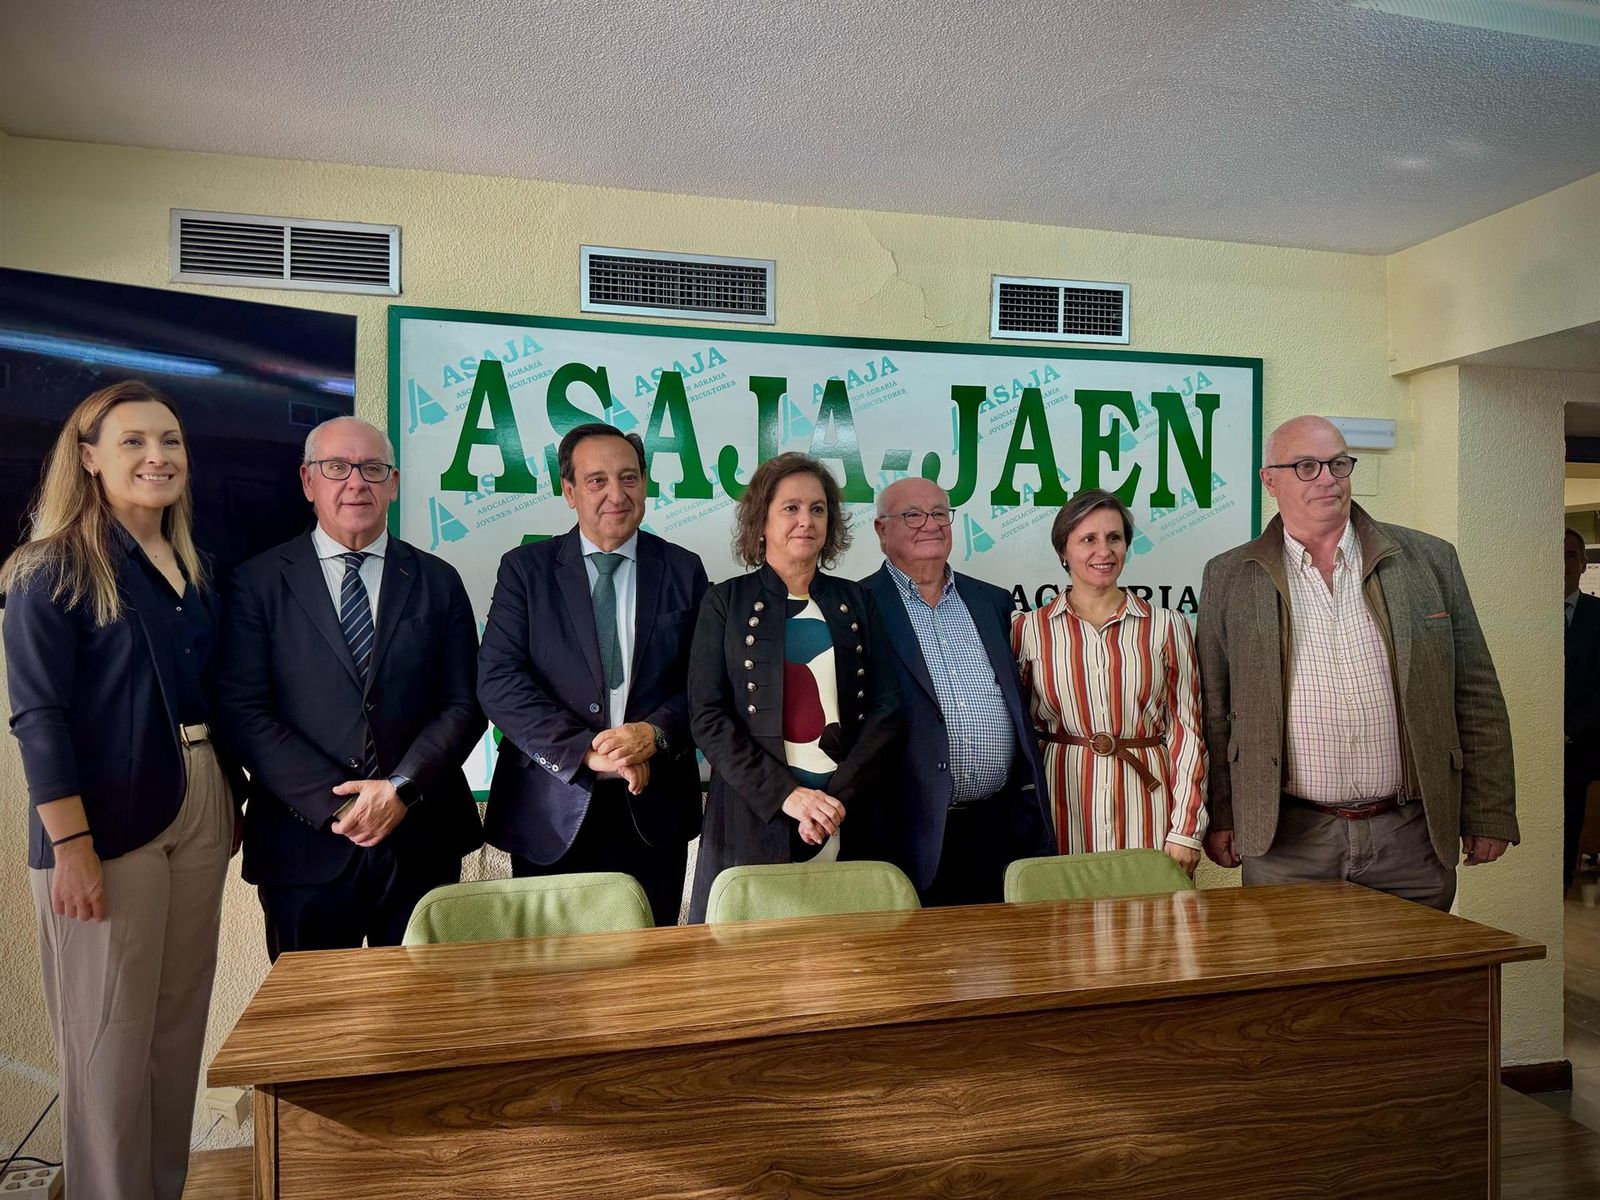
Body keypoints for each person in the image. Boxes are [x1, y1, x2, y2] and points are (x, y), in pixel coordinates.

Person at [1, 380, 241, 1198]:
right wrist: (71, 846)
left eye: (170, 440)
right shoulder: (50, 569)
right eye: (133, 440)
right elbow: (38, 718)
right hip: (104, 822)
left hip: (199, 798)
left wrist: (232, 798)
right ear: (89, 457)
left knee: (175, 1030)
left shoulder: (196, 568)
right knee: (109, 1040)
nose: (157, 456)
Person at [1197, 415, 1517, 910]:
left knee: (1417, 962)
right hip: (1287, 841)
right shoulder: (1230, 576)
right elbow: (1215, 710)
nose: (1327, 478)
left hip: (1411, 835)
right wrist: (1222, 816)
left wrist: (1488, 812)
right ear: (1270, 481)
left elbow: (1475, 693)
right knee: (1294, 963)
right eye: (1306, 466)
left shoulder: (1430, 560)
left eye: (1338, 464)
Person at [218, 417, 484, 958]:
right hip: (304, 844)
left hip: (421, 836)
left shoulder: (438, 580)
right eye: (337, 467)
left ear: (393, 483)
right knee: (312, 1007)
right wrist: (338, 805)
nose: (356, 482)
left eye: (372, 469)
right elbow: (243, 711)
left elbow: (464, 704)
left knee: (420, 1003)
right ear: (307, 481)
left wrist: (401, 787)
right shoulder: (254, 584)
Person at [478, 423, 708, 926]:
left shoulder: (683, 569)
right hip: (549, 809)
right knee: (550, 968)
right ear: (569, 491)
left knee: (649, 962)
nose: (616, 494)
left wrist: (654, 733)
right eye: (597, 480)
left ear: (644, 483)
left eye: (629, 478)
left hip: (654, 805)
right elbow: (498, 681)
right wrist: (585, 751)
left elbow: (706, 682)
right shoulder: (525, 570)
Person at [687, 452, 901, 922]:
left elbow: (887, 708)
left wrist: (835, 801)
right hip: (752, 820)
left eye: (817, 509)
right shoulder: (724, 602)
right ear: (761, 521)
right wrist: (788, 796)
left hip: (847, 817)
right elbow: (707, 717)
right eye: (791, 508)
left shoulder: (857, 600)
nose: (806, 520)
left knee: (848, 955)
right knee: (751, 958)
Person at [862, 476, 1052, 905]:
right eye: (913, 515)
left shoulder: (992, 601)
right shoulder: (858, 604)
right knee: (910, 949)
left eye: (939, 514)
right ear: (881, 529)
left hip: (996, 830)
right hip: (903, 834)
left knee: (998, 947)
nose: (930, 524)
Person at [1011, 488, 1207, 873]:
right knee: (1065, 907)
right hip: (1060, 807)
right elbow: (1016, 734)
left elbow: (1187, 732)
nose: (1104, 551)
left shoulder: (1168, 626)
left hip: (1148, 809)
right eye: (1088, 539)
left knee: (1147, 909)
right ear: (1063, 551)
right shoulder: (1029, 630)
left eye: (1114, 538)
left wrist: (1186, 830)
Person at [1564, 527, 1600, 892]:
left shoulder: (1598, 615)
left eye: (1570, 555)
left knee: (1570, 828)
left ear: (1584, 564)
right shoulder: (1524, 614)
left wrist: (1569, 731)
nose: (1561, 564)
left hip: (1584, 748)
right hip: (1531, 747)